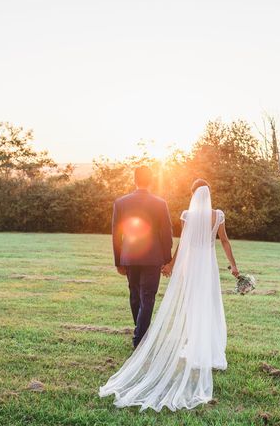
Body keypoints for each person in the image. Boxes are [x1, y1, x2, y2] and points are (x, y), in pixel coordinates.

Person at [100, 179, 239, 411]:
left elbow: (183, 244)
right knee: (209, 304)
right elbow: (224, 240)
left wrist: (171, 265)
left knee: (191, 304)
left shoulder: (188, 215)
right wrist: (234, 267)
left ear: (194, 194)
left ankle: (192, 344)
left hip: (193, 266)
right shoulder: (218, 215)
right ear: (209, 194)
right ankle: (207, 348)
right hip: (209, 266)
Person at [111, 165, 173, 348]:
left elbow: (116, 234)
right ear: (151, 180)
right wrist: (167, 259)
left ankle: (140, 334)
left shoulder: (121, 202)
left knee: (135, 295)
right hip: (153, 258)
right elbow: (166, 234)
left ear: (134, 179)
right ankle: (140, 338)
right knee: (147, 297)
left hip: (130, 256)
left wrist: (118, 260)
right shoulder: (160, 203)